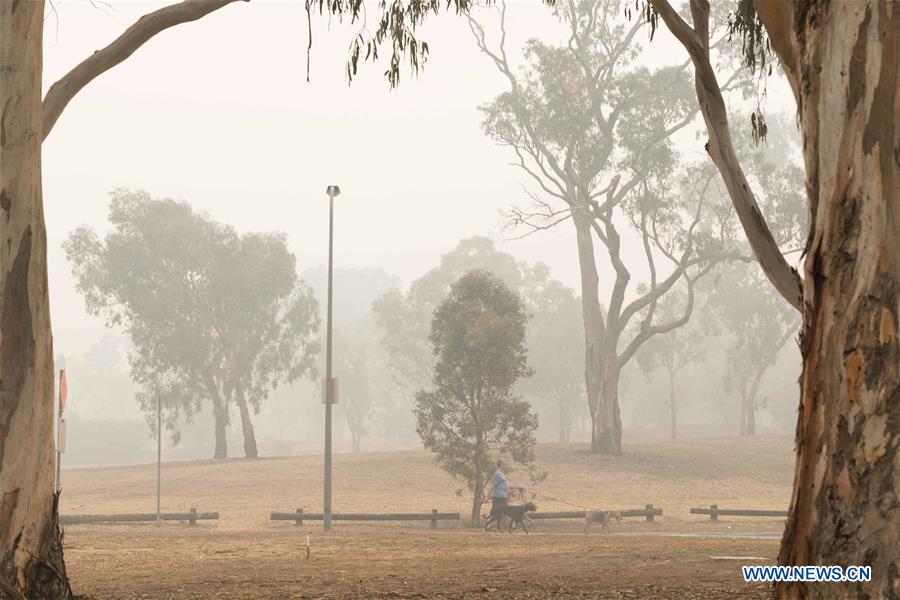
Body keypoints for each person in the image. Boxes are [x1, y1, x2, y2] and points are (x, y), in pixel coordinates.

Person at [483, 459, 510, 532]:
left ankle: (491, 527)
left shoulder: (502, 474)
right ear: (501, 464)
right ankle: (488, 527)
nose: (506, 465)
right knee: (496, 512)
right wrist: (487, 496)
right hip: (498, 497)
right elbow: (493, 486)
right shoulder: (498, 474)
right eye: (505, 464)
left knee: (498, 512)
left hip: (502, 496)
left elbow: (503, 485)